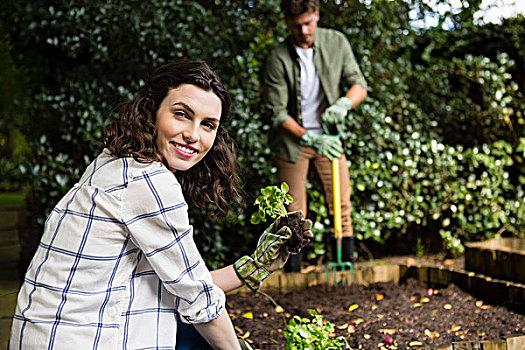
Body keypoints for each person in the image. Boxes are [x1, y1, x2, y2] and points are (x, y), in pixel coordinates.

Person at [9, 60, 312, 349]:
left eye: (208, 124)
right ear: (152, 110)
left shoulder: (115, 161)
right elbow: (200, 302)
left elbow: (182, 283)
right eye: (182, 114)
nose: (193, 135)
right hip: (79, 339)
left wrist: (254, 266)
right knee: (204, 335)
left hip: (47, 334)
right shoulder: (149, 183)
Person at [263, 0, 368, 272]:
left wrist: (344, 103)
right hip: (292, 144)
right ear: (287, 22)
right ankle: (293, 275)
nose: (304, 31)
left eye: (308, 23)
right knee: (292, 214)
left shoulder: (336, 43)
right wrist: (309, 137)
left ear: (317, 15)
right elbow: (276, 112)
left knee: (341, 206)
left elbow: (359, 84)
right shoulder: (277, 57)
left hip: (330, 141)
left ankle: (345, 269)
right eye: (297, 25)